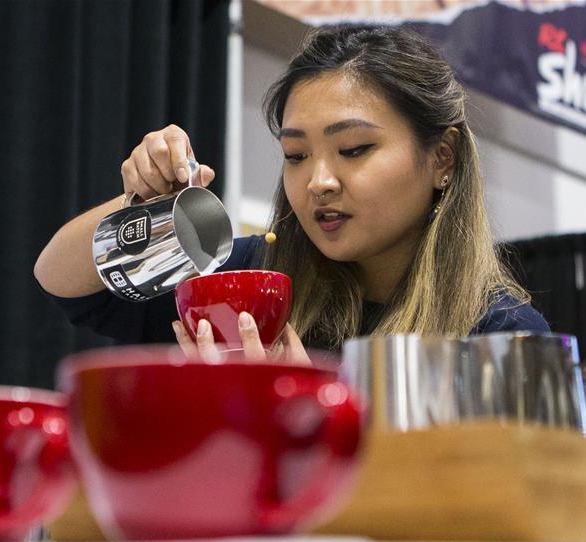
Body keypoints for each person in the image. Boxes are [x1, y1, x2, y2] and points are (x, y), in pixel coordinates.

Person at [34, 25, 548, 363]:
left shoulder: (501, 334)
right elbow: (61, 280)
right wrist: (145, 207)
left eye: (354, 148)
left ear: (442, 158)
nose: (319, 181)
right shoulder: (253, 280)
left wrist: (307, 417)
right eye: (296, 156)